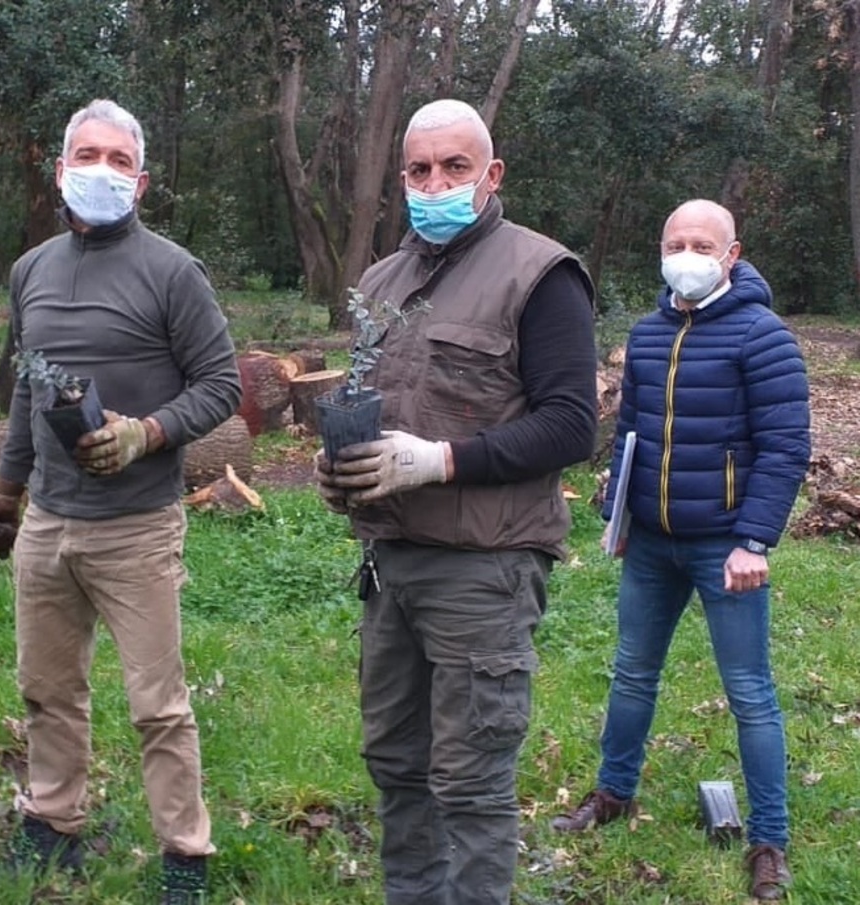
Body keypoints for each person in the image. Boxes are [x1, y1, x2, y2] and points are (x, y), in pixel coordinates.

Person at [314, 98, 598, 905]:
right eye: (419, 170)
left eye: (454, 167)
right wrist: (343, 466)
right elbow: (370, 400)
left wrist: (439, 460)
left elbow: (573, 426)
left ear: (491, 174)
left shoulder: (541, 275)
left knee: (471, 783)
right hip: (392, 565)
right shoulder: (382, 279)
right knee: (397, 767)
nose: (433, 182)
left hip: (485, 568)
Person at [0, 98, 241, 904]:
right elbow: (27, 394)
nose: (102, 171)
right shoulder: (31, 271)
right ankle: (53, 823)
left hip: (138, 526)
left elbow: (222, 384)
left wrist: (148, 433)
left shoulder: (172, 271)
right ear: (60, 169)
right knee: (47, 688)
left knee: (158, 705)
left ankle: (185, 855)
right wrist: (5, 495)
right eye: (88, 155)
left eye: (120, 160)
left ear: (142, 181)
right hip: (49, 522)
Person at [550, 199, 810, 901]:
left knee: (749, 693)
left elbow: (787, 448)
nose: (687, 253)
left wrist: (754, 538)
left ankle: (769, 840)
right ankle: (612, 794)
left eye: (702, 243)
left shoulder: (763, 337)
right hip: (652, 542)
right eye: (675, 241)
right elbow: (631, 431)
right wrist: (618, 513)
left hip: (725, 546)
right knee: (632, 673)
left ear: (731, 254)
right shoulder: (649, 332)